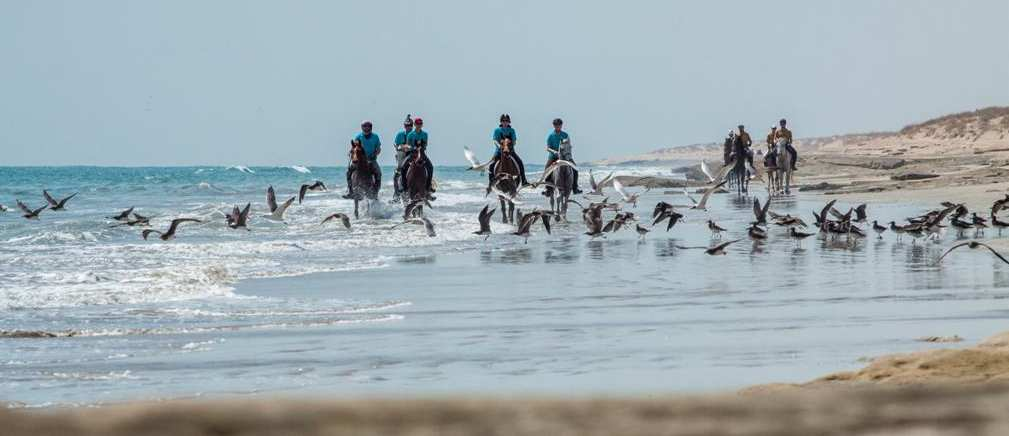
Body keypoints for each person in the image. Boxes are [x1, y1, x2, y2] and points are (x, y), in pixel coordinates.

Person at [487, 114, 530, 192]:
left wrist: (511, 146)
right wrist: (499, 146)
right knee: (491, 165)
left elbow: (514, 141)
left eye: (506, 121)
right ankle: (490, 183)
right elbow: (495, 140)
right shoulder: (497, 130)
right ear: (501, 121)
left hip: (510, 151)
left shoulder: (512, 130)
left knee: (520, 162)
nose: (505, 122)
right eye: (503, 121)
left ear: (509, 122)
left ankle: (524, 180)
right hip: (499, 152)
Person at [398, 117, 436, 197]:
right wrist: (412, 148)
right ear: (414, 124)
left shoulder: (425, 134)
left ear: (422, 125)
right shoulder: (410, 134)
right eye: (417, 124)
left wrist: (421, 147)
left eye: (420, 124)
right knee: (403, 167)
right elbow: (408, 145)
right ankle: (404, 187)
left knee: (430, 167)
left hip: (421, 153)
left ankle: (428, 187)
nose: (419, 125)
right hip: (412, 154)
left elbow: (425, 145)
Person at [543, 118, 582, 196]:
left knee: (575, 168)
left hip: (565, 156)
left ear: (561, 125)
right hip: (554, 156)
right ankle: (548, 189)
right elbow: (548, 147)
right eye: (556, 125)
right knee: (547, 169)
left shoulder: (565, 135)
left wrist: (568, 155)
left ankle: (575, 188)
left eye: (559, 125)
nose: (558, 126)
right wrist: (554, 152)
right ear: (554, 126)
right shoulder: (551, 136)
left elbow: (569, 145)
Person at [343, 121, 382, 199]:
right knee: (348, 172)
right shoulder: (358, 136)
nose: (366, 129)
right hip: (359, 160)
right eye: (364, 127)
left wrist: (375, 154)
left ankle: (375, 191)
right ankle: (350, 191)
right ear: (362, 128)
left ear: (371, 128)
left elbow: (378, 148)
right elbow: (354, 147)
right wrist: (351, 152)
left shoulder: (375, 137)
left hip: (371, 159)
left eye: (368, 127)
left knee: (378, 173)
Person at [392, 115, 413, 200]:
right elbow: (396, 145)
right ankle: (396, 194)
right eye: (407, 125)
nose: (408, 127)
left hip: (413, 154)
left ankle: (428, 188)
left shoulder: (415, 134)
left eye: (410, 125)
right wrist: (403, 147)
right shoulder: (400, 134)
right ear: (404, 126)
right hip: (402, 154)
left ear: (412, 125)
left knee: (426, 165)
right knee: (396, 174)